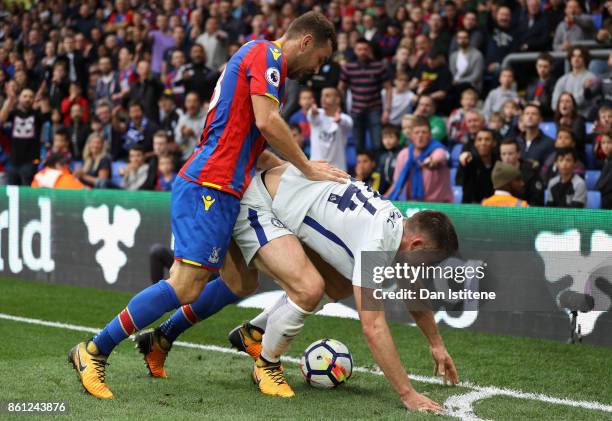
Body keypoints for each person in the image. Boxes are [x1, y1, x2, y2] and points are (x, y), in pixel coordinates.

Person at [68, 11, 343, 400]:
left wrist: (295, 170)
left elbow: (257, 149)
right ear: (306, 42)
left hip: (227, 187)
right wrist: (307, 167)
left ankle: (161, 338)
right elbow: (267, 123)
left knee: (241, 282)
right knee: (185, 285)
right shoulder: (267, 56)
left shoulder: (261, 65)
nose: (318, 68)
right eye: (321, 58)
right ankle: (94, 350)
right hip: (209, 184)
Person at [138, 163, 458, 412]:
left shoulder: (394, 222)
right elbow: (373, 327)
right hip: (259, 203)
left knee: (331, 281)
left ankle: (231, 333)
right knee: (308, 289)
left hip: (279, 196)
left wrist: (436, 343)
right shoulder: (378, 243)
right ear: (416, 243)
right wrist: (408, 393)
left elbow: (410, 284)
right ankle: (266, 363)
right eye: (428, 262)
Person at [339, 38, 392, 152]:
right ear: (355, 50)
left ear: (370, 50)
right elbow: (341, 88)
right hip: (356, 111)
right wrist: (340, 107)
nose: (362, 52)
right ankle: (361, 169)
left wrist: (387, 110)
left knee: (377, 144)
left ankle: (378, 169)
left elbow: (389, 88)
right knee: (358, 145)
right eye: (359, 49)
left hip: (375, 110)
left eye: (365, 49)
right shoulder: (348, 67)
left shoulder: (379, 66)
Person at [386, 116, 452, 202]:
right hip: (413, 205)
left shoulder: (438, 149)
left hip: (439, 205)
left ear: (430, 135)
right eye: (417, 132)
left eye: (424, 132)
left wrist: (432, 161)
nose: (420, 135)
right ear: (411, 136)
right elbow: (396, 183)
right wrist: (386, 198)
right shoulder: (403, 155)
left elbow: (440, 156)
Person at [0, 85, 50, 186]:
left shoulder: (36, 115)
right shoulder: (14, 114)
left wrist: (43, 98)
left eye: (31, 96)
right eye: (25, 96)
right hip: (13, 161)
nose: (28, 99)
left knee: (27, 193)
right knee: (12, 191)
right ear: (19, 99)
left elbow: (47, 117)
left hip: (30, 161)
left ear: (34, 99)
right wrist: (10, 100)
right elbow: (1, 120)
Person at [307, 86, 352, 171]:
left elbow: (347, 124)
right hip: (317, 169)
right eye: (322, 95)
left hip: (338, 170)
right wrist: (313, 112)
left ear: (337, 99)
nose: (323, 98)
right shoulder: (317, 114)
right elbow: (312, 116)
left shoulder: (345, 118)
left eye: (327, 96)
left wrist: (340, 121)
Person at [551, 47, 597, 118]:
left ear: (585, 59)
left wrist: (563, 103)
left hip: (585, 118)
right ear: (570, 59)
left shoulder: (591, 78)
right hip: (564, 118)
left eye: (580, 56)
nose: (576, 59)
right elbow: (554, 104)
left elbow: (582, 101)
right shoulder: (563, 79)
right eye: (573, 56)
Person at [499, 138, 544, 206]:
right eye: (503, 154)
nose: (507, 158)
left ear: (518, 154)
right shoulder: (497, 173)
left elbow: (537, 202)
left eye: (510, 154)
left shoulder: (531, 173)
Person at [457, 129, 497, 203]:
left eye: (487, 139)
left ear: (494, 143)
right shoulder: (469, 161)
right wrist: (464, 158)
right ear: (475, 143)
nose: (483, 143)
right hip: (471, 207)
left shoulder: (498, 162)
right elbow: (461, 176)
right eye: (479, 139)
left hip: (493, 206)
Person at [174, 92, 206, 163]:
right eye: (189, 101)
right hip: (186, 159)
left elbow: (206, 142)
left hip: (202, 158)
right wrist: (182, 134)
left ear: (199, 103)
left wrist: (193, 135)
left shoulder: (206, 118)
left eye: (195, 101)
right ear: (185, 104)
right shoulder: (183, 118)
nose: (192, 104)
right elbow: (177, 142)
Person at [554, 92, 587, 157]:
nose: (564, 104)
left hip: (576, 156)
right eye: (561, 101)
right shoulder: (558, 120)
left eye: (567, 101)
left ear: (573, 106)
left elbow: (578, 143)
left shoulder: (579, 121)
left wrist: (566, 127)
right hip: (560, 155)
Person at [525, 53, 555, 119]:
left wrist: (540, 106)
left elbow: (553, 107)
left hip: (547, 117)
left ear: (551, 67)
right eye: (540, 66)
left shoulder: (555, 84)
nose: (542, 69)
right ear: (536, 66)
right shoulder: (531, 82)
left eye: (545, 66)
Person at [377, 124, 402, 195]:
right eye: (385, 138)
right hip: (385, 188)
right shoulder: (383, 156)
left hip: (398, 189)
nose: (387, 141)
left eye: (391, 137)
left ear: (398, 139)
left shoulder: (401, 154)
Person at [595, 133, 612, 209]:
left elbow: (605, 184)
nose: (605, 146)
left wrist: (596, 190)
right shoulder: (607, 160)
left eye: (609, 142)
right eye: (603, 143)